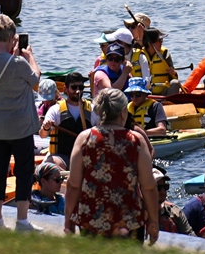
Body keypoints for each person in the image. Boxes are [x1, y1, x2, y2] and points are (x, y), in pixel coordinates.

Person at [64, 87, 159, 243]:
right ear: (123, 112)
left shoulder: (84, 138)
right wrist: (154, 221)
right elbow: (148, 186)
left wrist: (68, 219)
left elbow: (74, 184)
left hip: (91, 219)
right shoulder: (136, 140)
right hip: (130, 221)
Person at [0, 14, 41, 232]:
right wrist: (30, 56)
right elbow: (36, 80)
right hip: (20, 126)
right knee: (24, 171)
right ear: (13, 37)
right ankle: (22, 221)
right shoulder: (19, 63)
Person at [41, 73, 87, 164]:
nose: (78, 91)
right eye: (74, 87)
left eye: (81, 88)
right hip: (62, 156)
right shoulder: (55, 110)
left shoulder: (93, 109)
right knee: (51, 165)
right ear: (65, 89)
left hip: (86, 156)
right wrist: (46, 128)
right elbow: (43, 135)